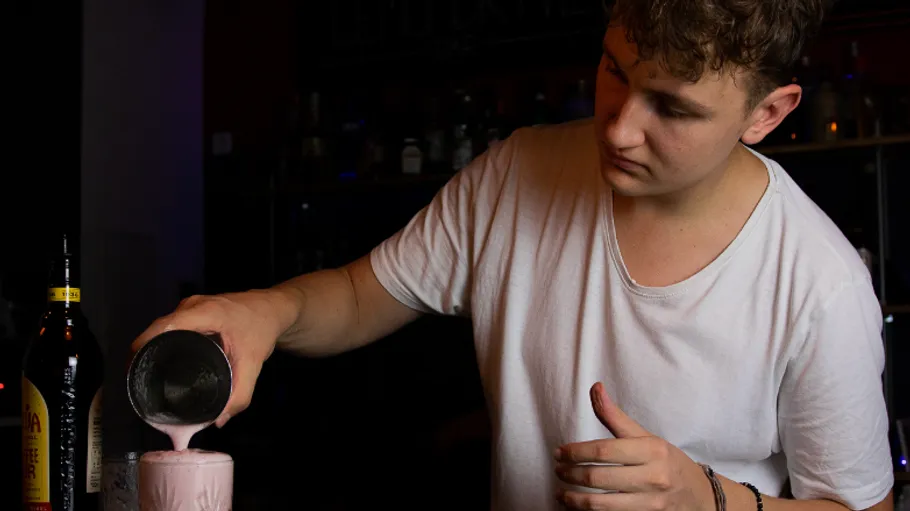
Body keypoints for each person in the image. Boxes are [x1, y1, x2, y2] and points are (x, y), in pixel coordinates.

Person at [133, 0, 896, 509]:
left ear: (766, 113)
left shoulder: (820, 281)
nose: (620, 127)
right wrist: (264, 311)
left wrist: (711, 498)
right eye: (615, 72)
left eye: (672, 107)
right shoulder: (518, 171)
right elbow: (363, 294)